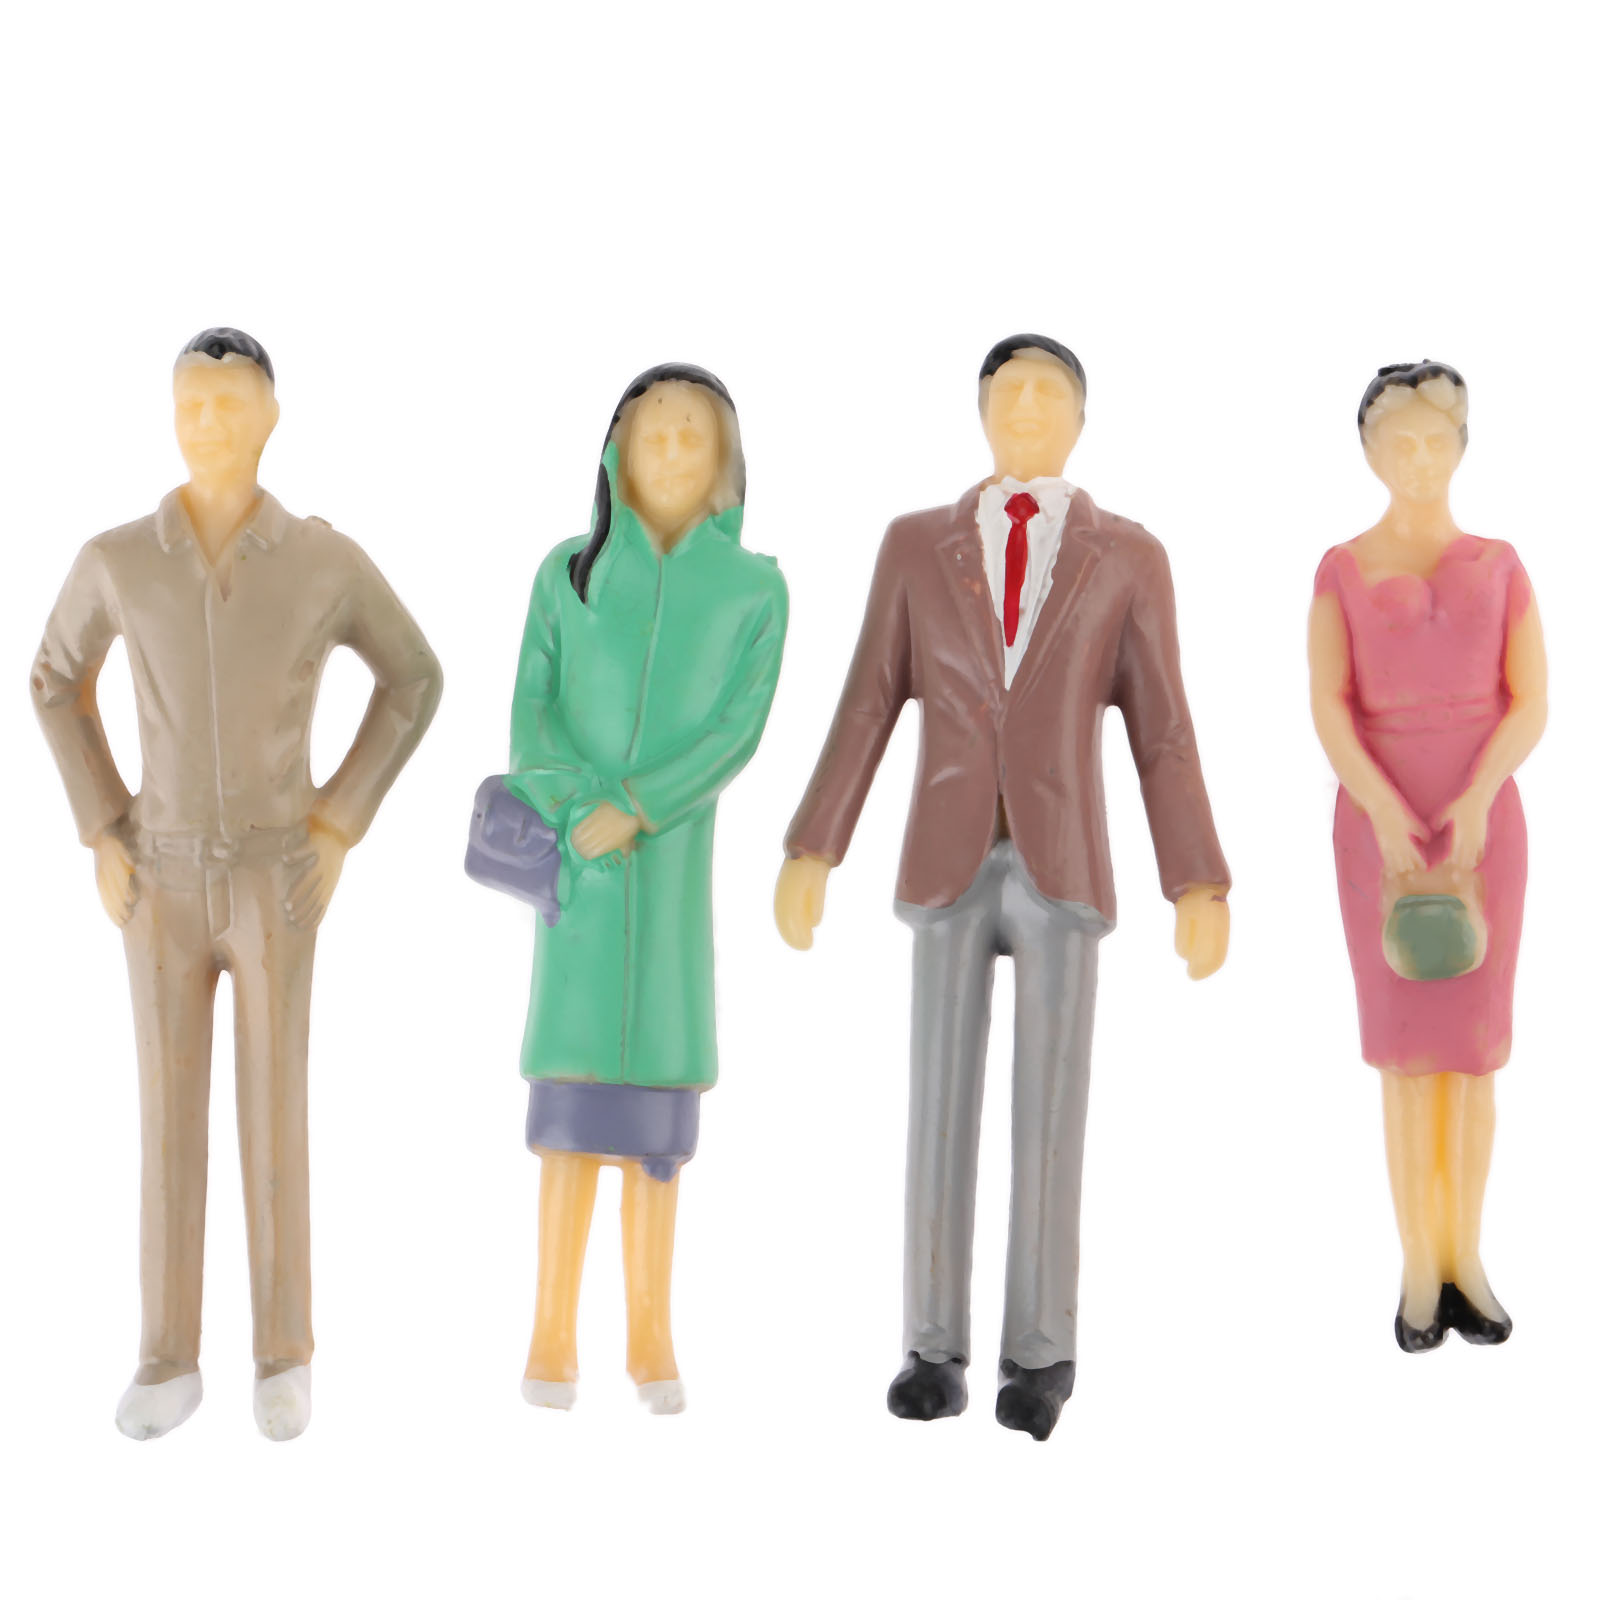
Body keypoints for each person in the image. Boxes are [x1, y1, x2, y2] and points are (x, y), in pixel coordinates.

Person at [776, 335, 1229, 1440]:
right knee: (936, 1105)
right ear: (979, 408)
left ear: (1081, 418)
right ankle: (931, 1343)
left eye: (1049, 391)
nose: (1027, 405)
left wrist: (1196, 878)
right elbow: (867, 700)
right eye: (1009, 389)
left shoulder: (1129, 556)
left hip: (1060, 858)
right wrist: (813, 846)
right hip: (946, 857)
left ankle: (1041, 1351)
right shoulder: (914, 545)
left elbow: (1163, 730)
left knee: (1050, 1116)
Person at [30, 328, 442, 1440]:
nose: (207, 423)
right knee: (165, 1115)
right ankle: (167, 1355)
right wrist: (102, 826)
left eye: (229, 404)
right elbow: (54, 677)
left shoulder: (320, 560)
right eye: (191, 403)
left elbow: (413, 677)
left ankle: (282, 1353)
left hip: (276, 872)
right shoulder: (119, 558)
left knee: (275, 1106)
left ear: (270, 416)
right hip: (157, 875)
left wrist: (338, 821)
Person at [503, 364, 786, 1415]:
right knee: (567, 1116)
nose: (670, 451)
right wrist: (576, 801)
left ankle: (650, 1332)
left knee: (657, 1137)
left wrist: (641, 803)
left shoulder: (755, 592)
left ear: (723, 466)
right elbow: (531, 711)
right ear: (616, 450)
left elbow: (735, 734)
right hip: (579, 877)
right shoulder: (564, 576)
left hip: (668, 883)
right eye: (653, 432)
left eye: (691, 437)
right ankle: (548, 1329)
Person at [1308, 361, 1546, 1351]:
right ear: (1368, 451)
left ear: (1461, 447)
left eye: (1434, 440)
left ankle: (1467, 1257)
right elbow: (1329, 704)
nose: (1417, 459)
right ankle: (1417, 1267)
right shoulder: (1339, 568)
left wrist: (1480, 794)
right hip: (1380, 833)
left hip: (1482, 829)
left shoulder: (1500, 564)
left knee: (1475, 1056)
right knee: (1405, 1059)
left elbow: (1530, 700)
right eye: (1397, 442)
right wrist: (1380, 806)